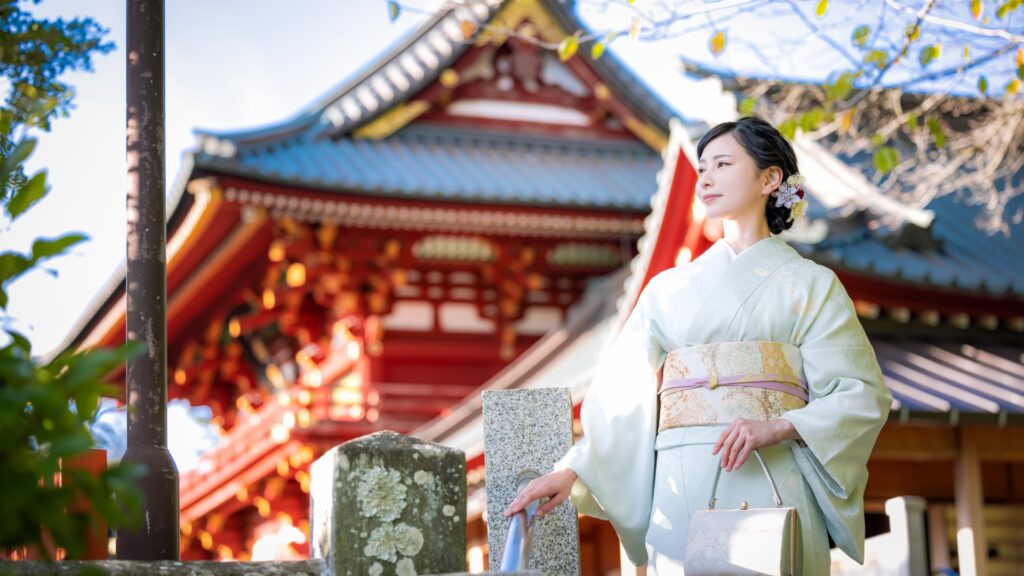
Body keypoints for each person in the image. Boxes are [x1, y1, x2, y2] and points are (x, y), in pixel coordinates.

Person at [502, 116, 892, 575]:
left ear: (771, 179)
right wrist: (574, 470)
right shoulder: (667, 289)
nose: (705, 178)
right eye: (702, 167)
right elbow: (623, 399)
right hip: (681, 475)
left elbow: (862, 394)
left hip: (772, 472)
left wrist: (782, 426)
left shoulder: (812, 284)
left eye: (722, 164)